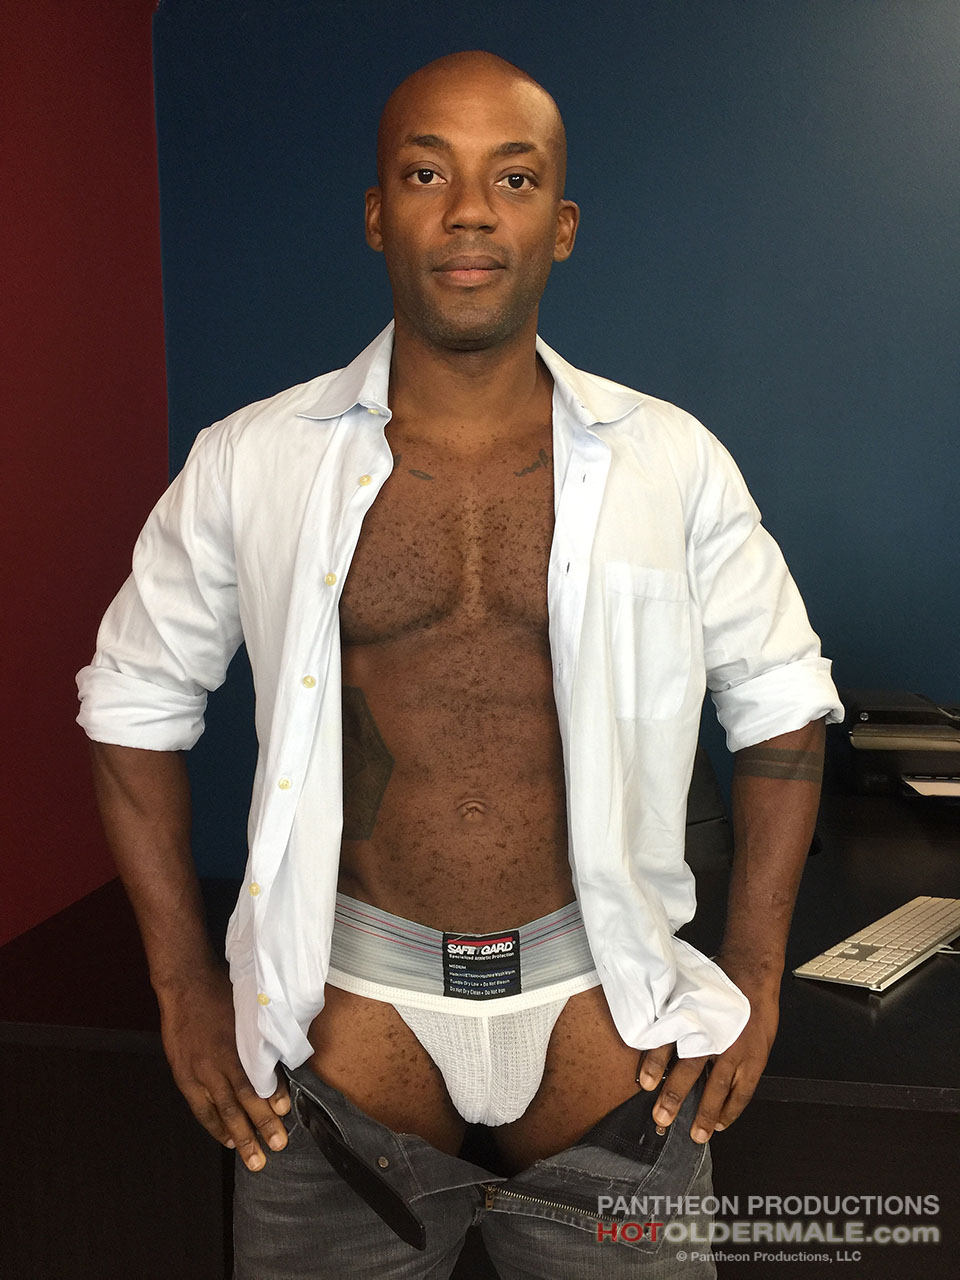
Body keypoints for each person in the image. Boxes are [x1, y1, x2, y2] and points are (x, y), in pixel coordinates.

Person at [77, 50, 842, 1278]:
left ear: (563, 225)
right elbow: (131, 702)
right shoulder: (253, 458)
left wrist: (753, 972)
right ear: (379, 213)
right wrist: (180, 983)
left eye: (515, 178)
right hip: (347, 1036)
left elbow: (784, 706)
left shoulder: (671, 459)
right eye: (428, 173)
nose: (472, 210)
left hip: (607, 1029)